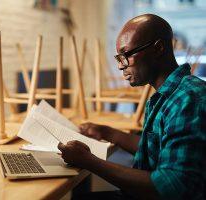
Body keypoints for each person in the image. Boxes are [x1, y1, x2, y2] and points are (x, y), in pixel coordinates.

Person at [58, 14, 206, 200]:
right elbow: (154, 147)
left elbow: (173, 185)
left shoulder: (188, 99)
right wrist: (107, 132)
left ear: (158, 48)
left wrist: (88, 161)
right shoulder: (166, 95)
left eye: (126, 55)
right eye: (119, 58)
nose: (121, 66)